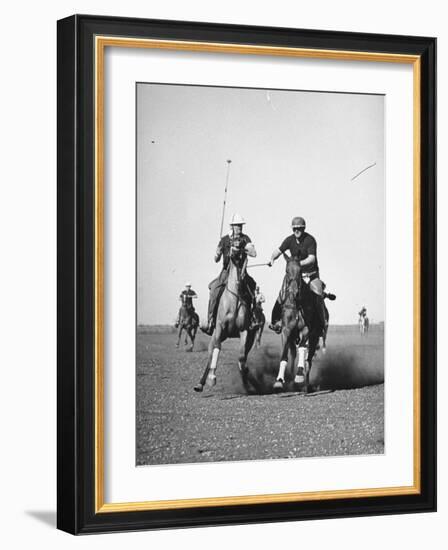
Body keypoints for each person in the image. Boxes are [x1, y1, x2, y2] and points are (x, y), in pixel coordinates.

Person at [268, 216, 335, 333]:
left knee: (318, 295)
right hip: (296, 276)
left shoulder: (310, 240)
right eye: (294, 229)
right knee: (281, 295)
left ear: (303, 228)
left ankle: (322, 323)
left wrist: (298, 264)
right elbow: (279, 251)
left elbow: (312, 258)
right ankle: (276, 322)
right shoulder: (289, 240)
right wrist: (272, 258)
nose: (296, 231)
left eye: (299, 228)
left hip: (311, 275)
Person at [201, 213, 257, 335]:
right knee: (214, 289)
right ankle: (210, 321)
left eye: (241, 225)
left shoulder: (245, 238)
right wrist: (217, 252)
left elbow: (254, 253)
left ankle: (252, 319)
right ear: (232, 226)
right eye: (237, 226)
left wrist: (242, 248)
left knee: (252, 287)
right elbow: (216, 259)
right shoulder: (224, 240)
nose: (239, 228)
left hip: (242, 272)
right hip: (226, 272)